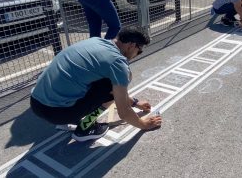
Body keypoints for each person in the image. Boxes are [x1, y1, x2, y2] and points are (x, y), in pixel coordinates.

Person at [30, 28, 162, 142]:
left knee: (103, 81)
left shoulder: (96, 41)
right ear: (132, 45)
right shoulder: (117, 63)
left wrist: (135, 102)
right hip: (56, 112)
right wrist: (144, 124)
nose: (137, 55)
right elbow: (124, 111)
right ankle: (85, 128)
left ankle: (68, 117)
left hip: (36, 102)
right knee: (109, 86)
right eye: (139, 51)